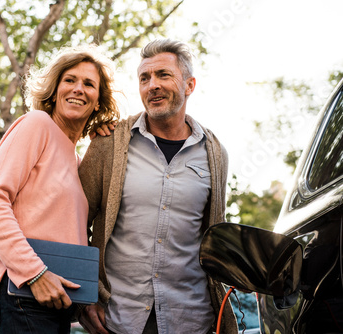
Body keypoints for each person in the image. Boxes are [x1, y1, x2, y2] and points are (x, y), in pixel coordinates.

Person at [77, 39, 238, 334]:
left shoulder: (215, 153)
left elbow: (215, 233)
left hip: (190, 320)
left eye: (163, 75)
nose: (153, 85)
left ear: (189, 85)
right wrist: (84, 298)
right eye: (144, 78)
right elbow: (73, 223)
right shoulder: (108, 143)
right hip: (119, 319)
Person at [0, 44, 119, 334]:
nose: (78, 88)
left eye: (89, 84)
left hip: (57, 301)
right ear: (54, 90)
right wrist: (34, 273)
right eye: (70, 80)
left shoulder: (78, 160)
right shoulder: (36, 124)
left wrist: (105, 145)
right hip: (21, 294)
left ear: (98, 103)